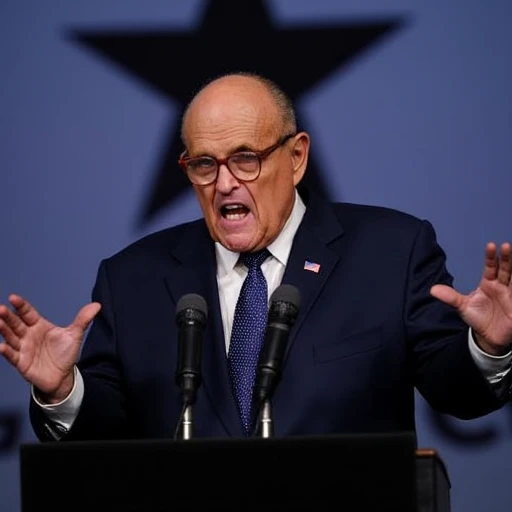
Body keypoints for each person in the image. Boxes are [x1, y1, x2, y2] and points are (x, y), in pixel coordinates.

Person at [0, 72, 511, 442]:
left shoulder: (391, 251)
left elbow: (457, 393)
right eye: (204, 164)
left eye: (245, 158)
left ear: (296, 157)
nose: (224, 183)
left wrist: (489, 348)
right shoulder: (131, 278)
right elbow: (106, 435)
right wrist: (64, 391)